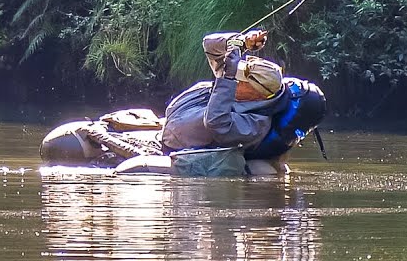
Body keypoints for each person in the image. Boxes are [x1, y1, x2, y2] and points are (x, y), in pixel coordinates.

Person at [40, 30, 327, 176]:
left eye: (240, 78)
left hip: (177, 149)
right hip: (165, 130)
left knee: (66, 152)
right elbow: (209, 43)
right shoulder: (235, 85)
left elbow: (217, 123)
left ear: (255, 93)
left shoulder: (255, 124)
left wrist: (228, 77)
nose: (231, 75)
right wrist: (240, 42)